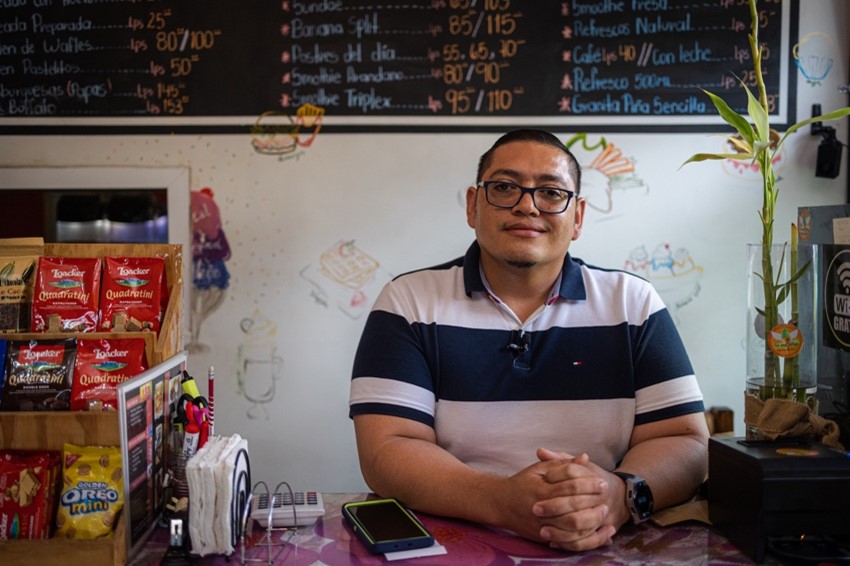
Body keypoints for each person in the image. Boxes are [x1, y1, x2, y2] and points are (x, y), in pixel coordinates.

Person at [349, 129, 709, 551]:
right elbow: (387, 449)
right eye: (504, 187)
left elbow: (685, 441)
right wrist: (500, 501)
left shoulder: (632, 304)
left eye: (552, 192)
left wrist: (619, 496)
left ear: (577, 218)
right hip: (451, 546)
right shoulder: (408, 302)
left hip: (602, 541)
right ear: (472, 205)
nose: (526, 204)